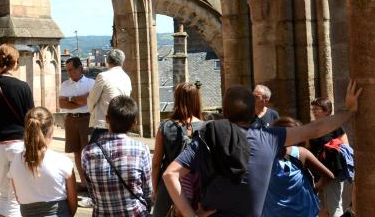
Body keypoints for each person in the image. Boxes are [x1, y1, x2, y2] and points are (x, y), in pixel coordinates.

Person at [163, 80, 362, 217]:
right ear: (252, 111)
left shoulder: (207, 139)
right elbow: (314, 129)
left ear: (225, 111)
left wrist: (190, 215)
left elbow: (169, 175)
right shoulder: (268, 138)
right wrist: (350, 110)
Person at [0, 44, 35, 217]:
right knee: (18, 193)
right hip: (19, 144)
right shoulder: (23, 87)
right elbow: (31, 119)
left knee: (3, 194)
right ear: (15, 63)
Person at [82, 96, 152, 216]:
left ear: (107, 119)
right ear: (135, 122)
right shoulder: (141, 150)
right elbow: (147, 191)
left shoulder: (88, 152)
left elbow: (92, 191)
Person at [9, 107, 78, 217]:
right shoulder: (63, 162)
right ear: (52, 130)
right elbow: (73, 204)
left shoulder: (16, 161)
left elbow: (18, 198)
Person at [151, 82, 205, 217]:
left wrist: (155, 190)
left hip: (168, 186)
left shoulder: (165, 127)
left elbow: (156, 163)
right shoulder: (206, 128)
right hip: (197, 186)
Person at [263, 117, 334, 217]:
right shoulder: (301, 153)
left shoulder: (262, 155)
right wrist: (314, 189)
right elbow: (329, 176)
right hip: (303, 211)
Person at [58, 56, 95, 194]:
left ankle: (92, 182)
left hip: (87, 119)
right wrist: (77, 100)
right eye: (67, 70)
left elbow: (87, 101)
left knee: (88, 152)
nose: (69, 73)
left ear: (80, 68)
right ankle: (84, 183)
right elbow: (62, 104)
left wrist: (71, 99)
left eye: (71, 70)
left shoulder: (91, 83)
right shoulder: (65, 85)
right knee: (77, 152)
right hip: (71, 120)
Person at [310, 98, 351, 217]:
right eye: (313, 108)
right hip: (316, 172)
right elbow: (308, 149)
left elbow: (346, 149)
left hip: (333, 172)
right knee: (320, 208)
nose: (314, 111)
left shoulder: (336, 126)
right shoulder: (311, 127)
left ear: (326, 110)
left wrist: (330, 147)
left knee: (334, 208)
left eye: (317, 109)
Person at [87, 49, 132, 143]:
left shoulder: (103, 76)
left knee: (93, 153)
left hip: (105, 124)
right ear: (122, 62)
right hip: (121, 123)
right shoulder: (126, 77)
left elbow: (92, 98)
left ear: (107, 61)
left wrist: (92, 112)